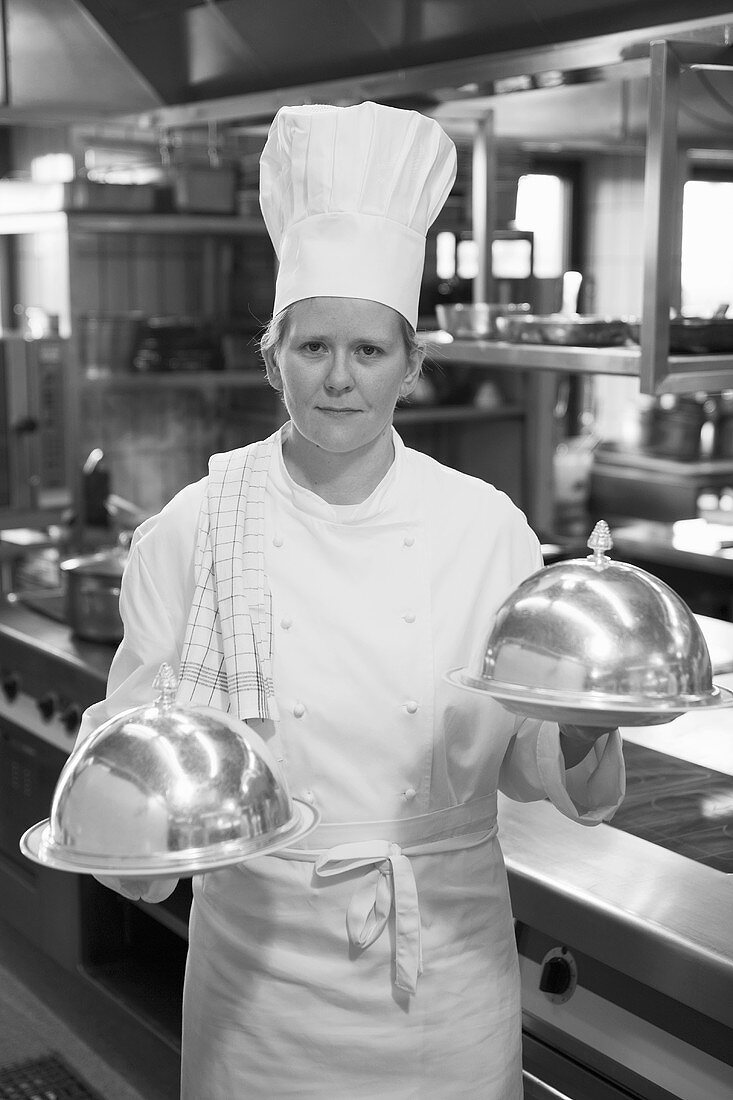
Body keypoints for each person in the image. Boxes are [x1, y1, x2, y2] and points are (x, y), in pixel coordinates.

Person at [79, 101, 625, 1099]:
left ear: (411, 365)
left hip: (445, 969)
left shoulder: (485, 528)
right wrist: (117, 797)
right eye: (313, 347)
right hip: (260, 986)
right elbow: (144, 774)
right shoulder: (197, 528)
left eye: (368, 351)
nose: (338, 379)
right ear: (272, 354)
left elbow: (526, 752)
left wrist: (584, 728)